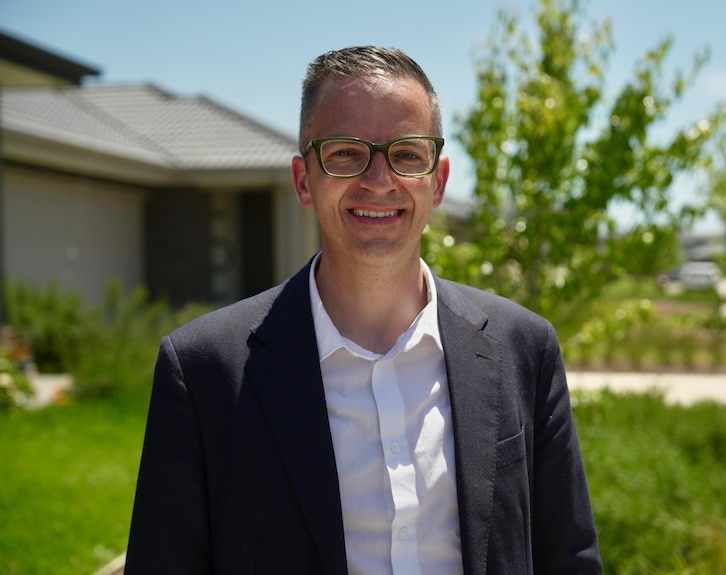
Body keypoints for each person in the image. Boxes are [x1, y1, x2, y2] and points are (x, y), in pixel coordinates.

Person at [125, 46, 602, 575]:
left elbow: (570, 559)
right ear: (304, 180)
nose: (379, 180)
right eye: (346, 153)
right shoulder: (203, 371)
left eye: (407, 154)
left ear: (437, 181)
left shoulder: (524, 348)